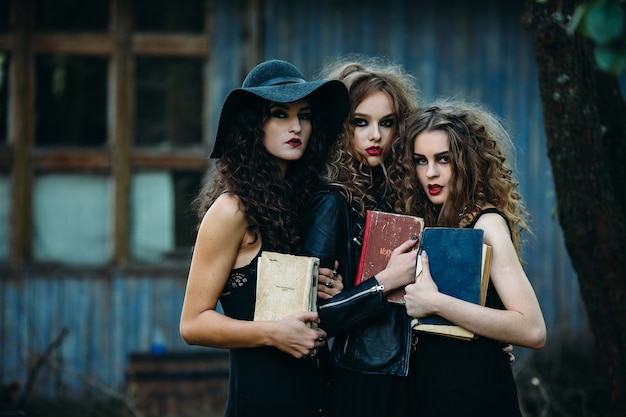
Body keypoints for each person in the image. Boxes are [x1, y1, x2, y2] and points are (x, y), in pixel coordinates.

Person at [179, 59, 350, 417]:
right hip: (259, 404)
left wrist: (331, 291)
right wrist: (272, 333)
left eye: (304, 115)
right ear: (252, 126)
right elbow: (193, 323)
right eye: (279, 114)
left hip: (320, 399)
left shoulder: (309, 205)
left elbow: (307, 319)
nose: (297, 126)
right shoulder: (232, 210)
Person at [403, 99, 547, 416]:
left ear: (467, 160)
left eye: (444, 159)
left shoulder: (487, 224)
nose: (431, 173)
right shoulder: (440, 222)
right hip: (436, 392)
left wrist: (436, 303)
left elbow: (532, 329)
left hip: (474, 397)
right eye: (420, 161)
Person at [301, 56, 422, 417]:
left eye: (387, 123)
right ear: (341, 127)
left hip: (412, 370)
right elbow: (313, 317)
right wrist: (382, 283)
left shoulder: (403, 192)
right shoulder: (332, 200)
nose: (376, 135)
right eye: (360, 122)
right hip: (363, 378)